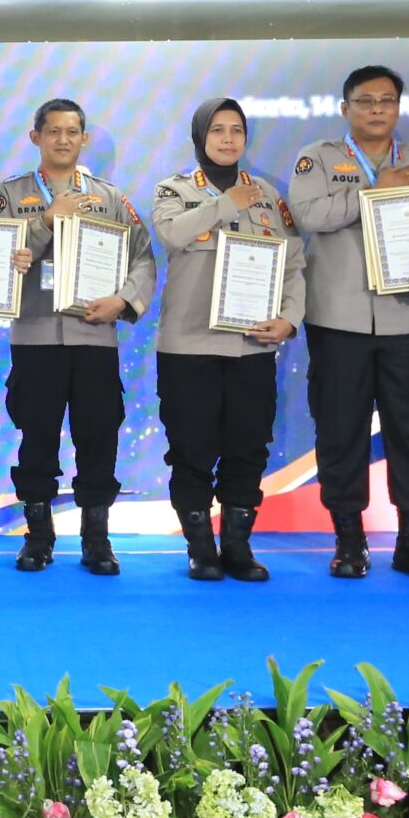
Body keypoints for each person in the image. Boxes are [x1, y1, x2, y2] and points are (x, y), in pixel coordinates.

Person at [288, 66, 409, 581]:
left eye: (387, 100)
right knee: (341, 432)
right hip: (339, 318)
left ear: (398, 108)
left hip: (407, 317)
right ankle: (348, 540)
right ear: (346, 109)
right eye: (365, 100)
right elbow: (307, 215)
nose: (377, 109)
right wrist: (372, 189)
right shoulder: (318, 158)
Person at [0, 99, 155, 576]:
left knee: (98, 437)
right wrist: (45, 220)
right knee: (36, 439)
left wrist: (123, 301)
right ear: (35, 137)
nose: (63, 139)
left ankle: (96, 540)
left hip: (93, 337)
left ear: (84, 139)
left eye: (72, 132)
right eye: (53, 131)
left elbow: (143, 258)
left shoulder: (110, 198)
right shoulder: (10, 194)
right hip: (35, 337)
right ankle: (37, 538)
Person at [149, 99, 303, 581]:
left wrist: (290, 318)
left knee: (248, 446)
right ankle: (200, 549)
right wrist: (225, 203)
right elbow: (172, 235)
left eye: (237, 130)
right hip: (188, 346)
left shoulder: (269, 197)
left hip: (250, 346)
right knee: (190, 448)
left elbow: (294, 263)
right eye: (218, 130)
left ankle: (237, 546)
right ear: (200, 137)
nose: (228, 139)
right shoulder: (174, 190)